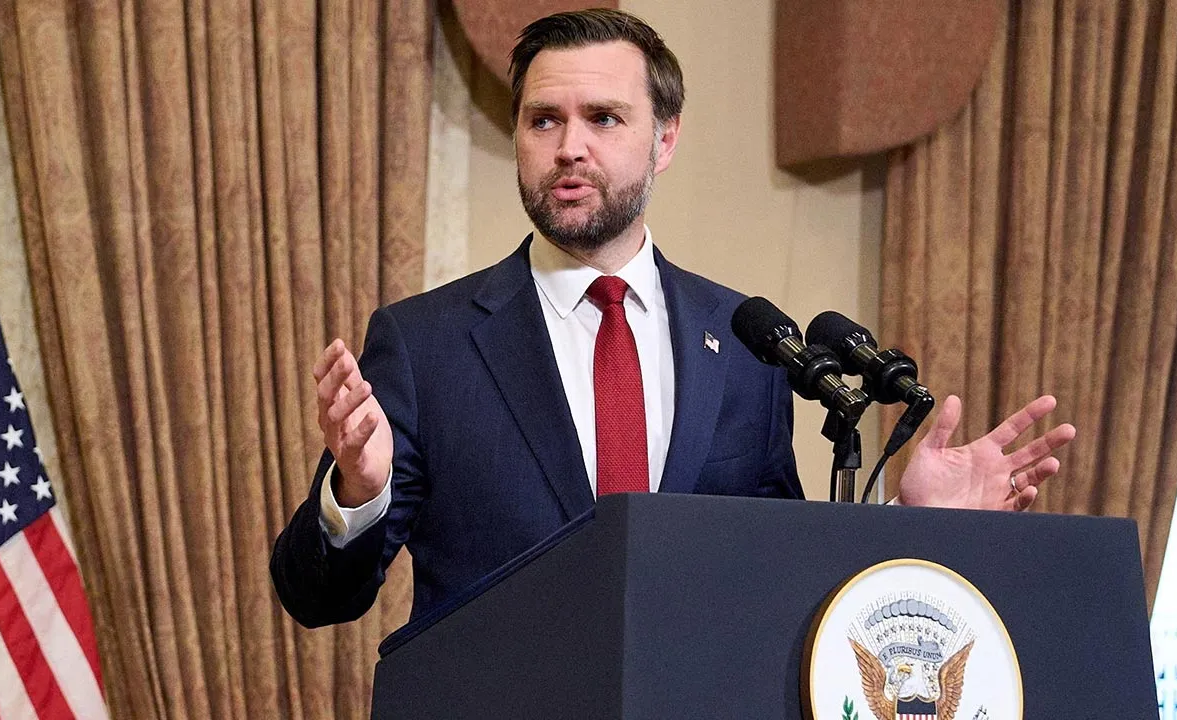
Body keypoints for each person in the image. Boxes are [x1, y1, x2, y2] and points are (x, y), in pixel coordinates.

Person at [270, 9, 1075, 630]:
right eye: (543, 120)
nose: (569, 147)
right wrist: (357, 492)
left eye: (604, 118)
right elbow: (316, 597)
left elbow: (781, 580)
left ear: (665, 140)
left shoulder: (748, 341)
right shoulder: (425, 345)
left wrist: (911, 522)